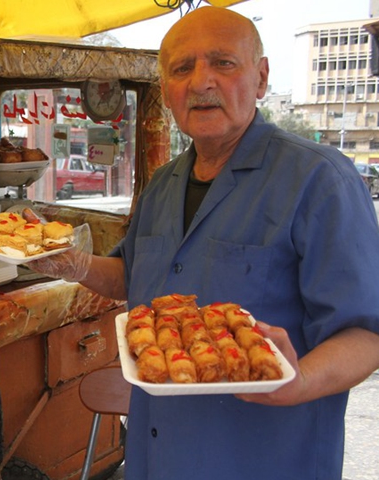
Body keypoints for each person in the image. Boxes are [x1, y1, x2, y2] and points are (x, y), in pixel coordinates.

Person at [31, 6, 379, 479]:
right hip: (158, 453)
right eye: (181, 68)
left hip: (265, 458)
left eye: (223, 62)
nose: (201, 82)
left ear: (261, 78)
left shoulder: (320, 180)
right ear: (167, 93)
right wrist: (70, 263)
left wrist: (300, 383)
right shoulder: (162, 184)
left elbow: (366, 333)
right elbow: (134, 276)